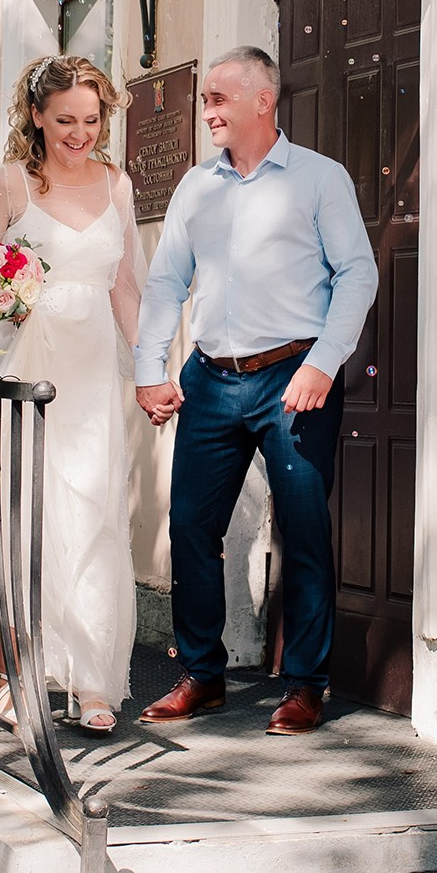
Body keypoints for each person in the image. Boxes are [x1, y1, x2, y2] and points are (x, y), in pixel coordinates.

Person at [132, 46, 378, 737]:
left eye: (219, 98)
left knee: (302, 529)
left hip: (294, 376)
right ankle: (203, 674)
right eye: (205, 98)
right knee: (190, 527)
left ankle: (305, 684)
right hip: (210, 378)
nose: (207, 109)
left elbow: (358, 275)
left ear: (262, 101)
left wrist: (325, 362)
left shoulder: (319, 179)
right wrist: (149, 367)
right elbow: (164, 283)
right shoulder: (194, 187)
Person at [0, 57, 146, 731]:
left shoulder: (117, 184)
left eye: (91, 120)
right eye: (65, 119)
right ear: (37, 115)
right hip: (26, 365)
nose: (79, 132)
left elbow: (125, 287)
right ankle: (17, 669)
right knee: (24, 515)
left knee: (93, 513)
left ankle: (92, 679)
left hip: (94, 371)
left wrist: (151, 367)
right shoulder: (13, 182)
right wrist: (6, 296)